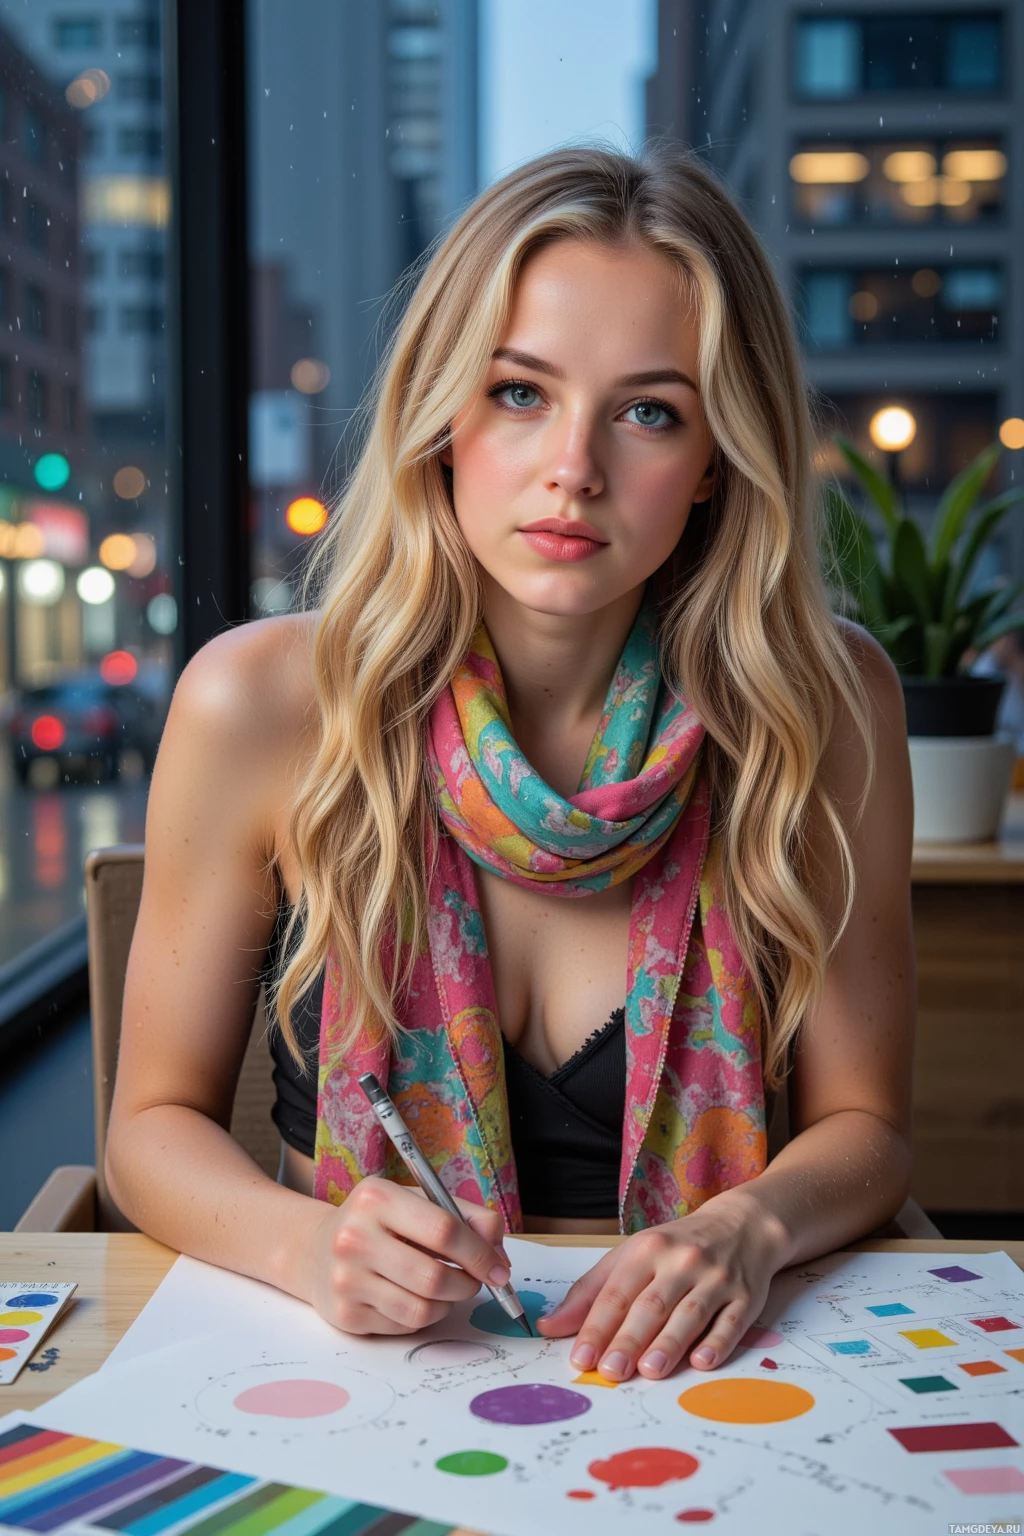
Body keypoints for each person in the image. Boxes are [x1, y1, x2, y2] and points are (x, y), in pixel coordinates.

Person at [106, 145, 915, 1387]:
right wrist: (308, 1243)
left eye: (649, 411)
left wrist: (744, 1229)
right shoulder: (258, 704)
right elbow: (149, 1130)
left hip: (700, 1382)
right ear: (442, 415)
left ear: (713, 461)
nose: (573, 468)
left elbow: (866, 1125)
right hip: (359, 1378)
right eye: (519, 392)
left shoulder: (822, 705)